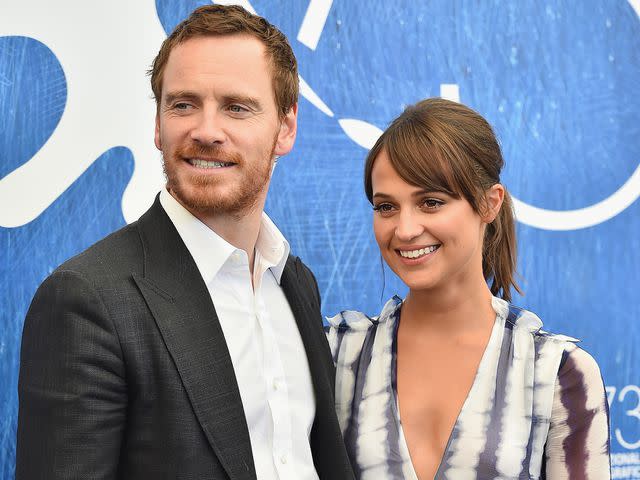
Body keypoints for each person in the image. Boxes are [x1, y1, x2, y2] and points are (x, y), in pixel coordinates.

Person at [16, 5, 354, 479]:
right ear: (157, 124)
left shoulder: (293, 282)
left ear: (286, 128)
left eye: (236, 107)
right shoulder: (89, 300)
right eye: (183, 104)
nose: (206, 131)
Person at [326, 98, 611, 479]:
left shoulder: (557, 372)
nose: (405, 229)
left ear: (490, 203)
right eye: (386, 207)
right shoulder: (337, 353)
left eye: (430, 202)